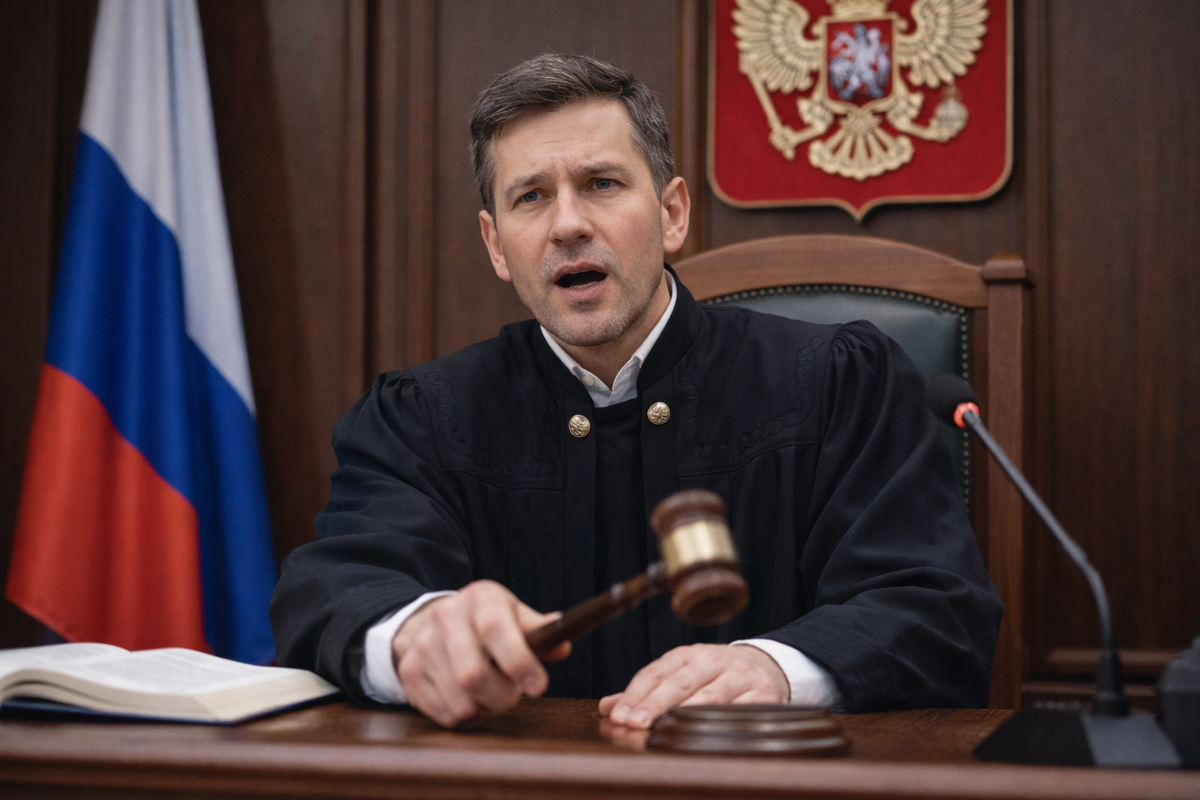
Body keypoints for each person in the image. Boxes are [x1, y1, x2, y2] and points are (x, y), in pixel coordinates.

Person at [270, 54, 1002, 729]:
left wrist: (777, 669)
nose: (567, 225)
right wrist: (414, 633)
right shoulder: (421, 421)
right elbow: (332, 590)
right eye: (531, 197)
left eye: (601, 184)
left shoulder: (839, 384)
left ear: (672, 213)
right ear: (497, 245)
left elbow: (936, 609)